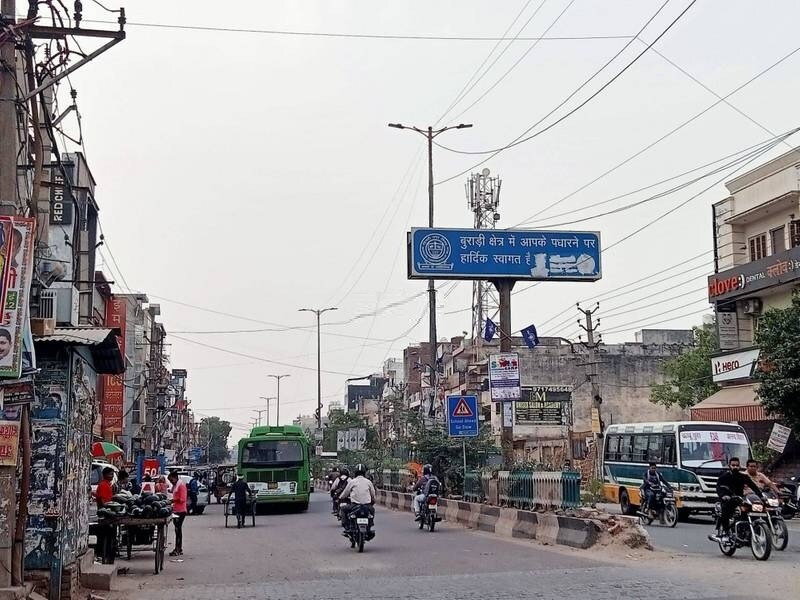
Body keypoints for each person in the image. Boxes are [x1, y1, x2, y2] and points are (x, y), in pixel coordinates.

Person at [716, 457, 765, 540]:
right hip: (728, 499)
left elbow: (754, 487)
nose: (735, 467)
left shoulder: (743, 476)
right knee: (726, 512)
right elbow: (719, 488)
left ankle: (747, 530)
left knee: (750, 510)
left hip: (740, 499)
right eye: (733, 465)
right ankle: (726, 533)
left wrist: (761, 496)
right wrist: (723, 496)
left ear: (739, 466)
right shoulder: (724, 477)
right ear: (729, 466)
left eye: (737, 465)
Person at [338, 464, 376, 533]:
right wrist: (373, 501)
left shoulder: (352, 481)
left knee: (343, 509)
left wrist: (340, 498)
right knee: (372, 510)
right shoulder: (368, 482)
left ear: (355, 472)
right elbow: (373, 494)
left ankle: (346, 527)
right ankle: (370, 524)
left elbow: (345, 493)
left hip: (354, 505)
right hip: (366, 506)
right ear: (364, 472)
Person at [95, 467, 117, 564]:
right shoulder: (103, 485)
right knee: (107, 536)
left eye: (112, 474)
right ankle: (103, 554)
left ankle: (108, 554)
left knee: (110, 536)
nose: (112, 476)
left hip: (109, 512)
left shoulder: (109, 485)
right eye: (110, 474)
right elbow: (103, 502)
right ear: (105, 475)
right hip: (105, 515)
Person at [168, 471, 188, 556]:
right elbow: (172, 491)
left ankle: (178, 548)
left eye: (171, 480)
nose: (171, 482)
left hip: (181, 511)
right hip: (176, 510)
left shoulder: (181, 486)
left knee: (178, 530)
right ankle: (178, 548)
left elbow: (182, 499)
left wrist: (173, 500)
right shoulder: (176, 486)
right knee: (177, 530)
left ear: (175, 478)